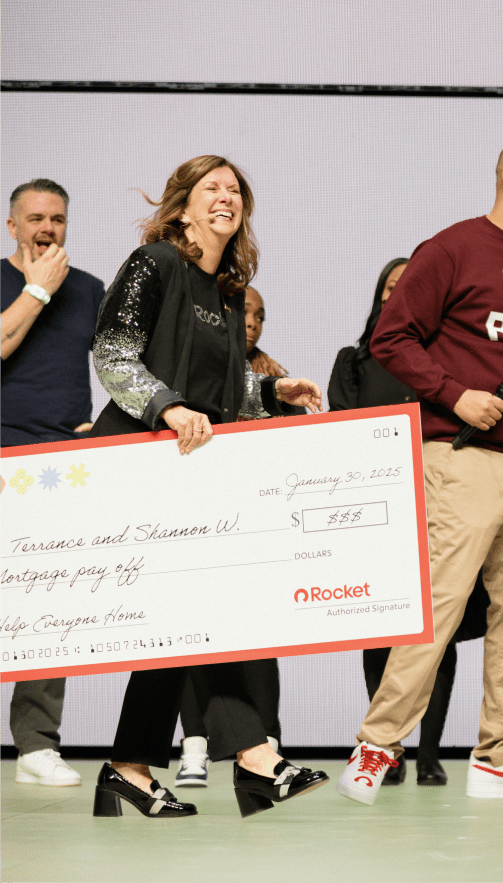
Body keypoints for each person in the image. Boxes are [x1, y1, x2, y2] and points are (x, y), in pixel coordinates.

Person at [336, 138, 503, 805]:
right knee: (437, 609)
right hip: (459, 456)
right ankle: (376, 745)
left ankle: (500, 755)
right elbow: (390, 336)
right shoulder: (451, 248)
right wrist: (453, 392)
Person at [88, 155, 327, 819]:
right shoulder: (155, 262)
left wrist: (271, 390)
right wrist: (164, 404)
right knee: (198, 613)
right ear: (183, 206)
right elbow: (112, 352)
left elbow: (220, 394)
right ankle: (255, 759)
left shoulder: (225, 289)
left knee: (183, 621)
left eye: (235, 190)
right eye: (211, 188)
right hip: (141, 458)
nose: (226, 197)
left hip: (193, 470)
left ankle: (129, 768)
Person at [329, 257, 490, 787]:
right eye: (391, 287)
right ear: (379, 297)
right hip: (376, 515)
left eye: (408, 288)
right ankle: (386, 748)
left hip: (439, 506)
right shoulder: (352, 362)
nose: (399, 295)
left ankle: (429, 753)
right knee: (381, 630)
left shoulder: (445, 368)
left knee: (435, 630)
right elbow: (344, 434)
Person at [1, 178, 105, 789]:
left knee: (49, 605)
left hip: (56, 468)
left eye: (58, 219)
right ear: (12, 225)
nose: (48, 228)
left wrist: (99, 426)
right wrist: (38, 289)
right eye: (36, 218)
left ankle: (36, 745)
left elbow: (118, 365)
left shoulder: (90, 289)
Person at [173, 285, 292, 788]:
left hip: (254, 519)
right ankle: (194, 745)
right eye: (243, 313)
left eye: (259, 316)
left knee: (259, 637)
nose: (251, 323)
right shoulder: (188, 369)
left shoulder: (275, 379)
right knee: (189, 633)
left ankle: (267, 741)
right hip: (195, 513)